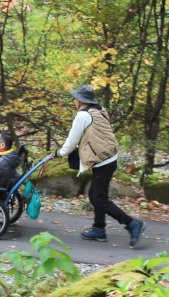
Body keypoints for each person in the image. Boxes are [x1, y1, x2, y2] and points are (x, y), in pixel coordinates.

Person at [52, 85, 145, 247]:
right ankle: (99, 229)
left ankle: (132, 223)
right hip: (107, 158)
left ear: (80, 101)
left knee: (99, 198)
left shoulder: (83, 116)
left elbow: (72, 141)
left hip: (103, 161)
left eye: (75, 98)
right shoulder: (99, 110)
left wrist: (59, 153)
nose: (74, 101)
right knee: (95, 195)